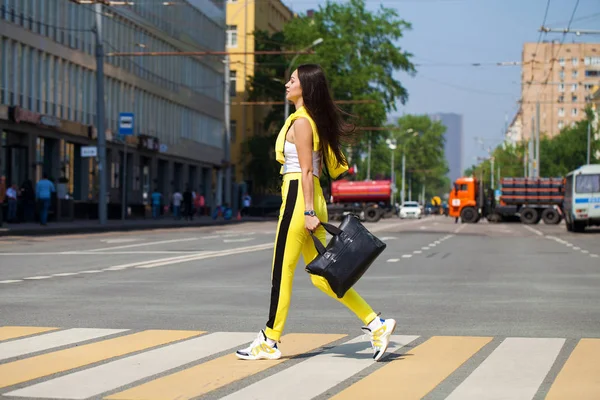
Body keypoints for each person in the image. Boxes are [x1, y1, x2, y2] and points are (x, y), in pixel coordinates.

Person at [236, 64, 396, 362]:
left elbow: (307, 170)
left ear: (304, 88)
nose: (286, 84)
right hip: (308, 198)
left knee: (280, 273)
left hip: (300, 197)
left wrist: (309, 211)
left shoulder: (301, 123)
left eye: (292, 80)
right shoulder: (310, 120)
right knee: (324, 274)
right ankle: (377, 325)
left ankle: (269, 339)